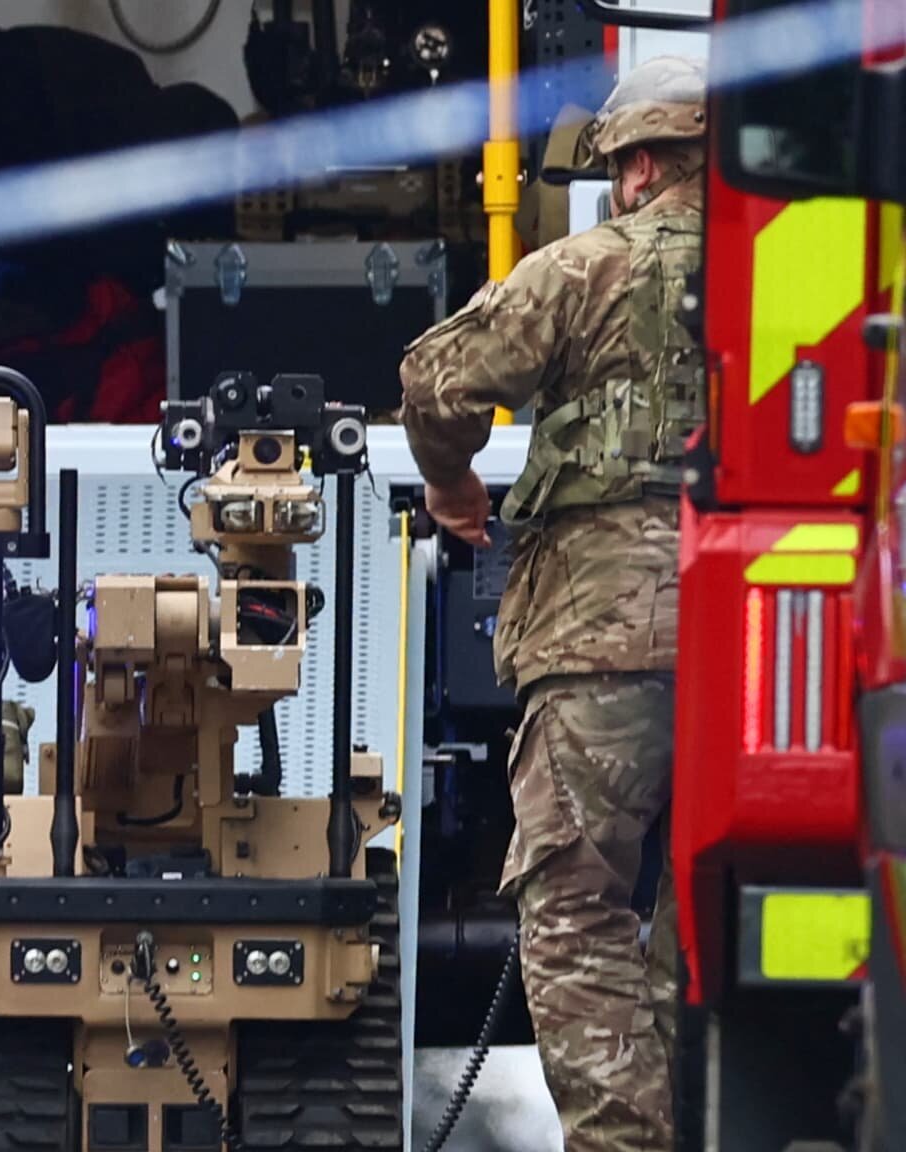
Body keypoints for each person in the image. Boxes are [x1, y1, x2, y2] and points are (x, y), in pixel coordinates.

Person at [399, 57, 707, 1151]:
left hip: (596, 639)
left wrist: (448, 481)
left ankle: (625, 1144)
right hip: (752, 647)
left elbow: (437, 381)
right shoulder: (795, 271)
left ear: (635, 163)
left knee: (574, 908)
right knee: (699, 917)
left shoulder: (582, 267)